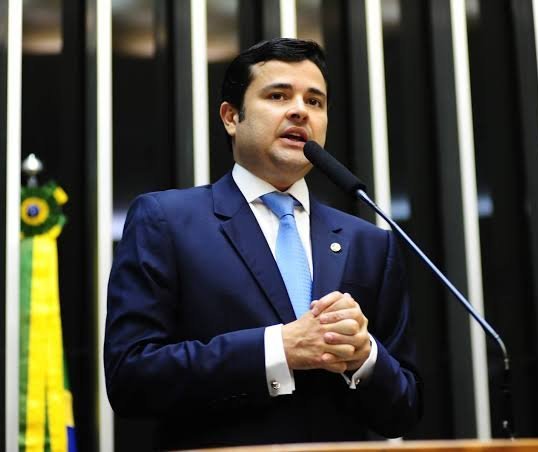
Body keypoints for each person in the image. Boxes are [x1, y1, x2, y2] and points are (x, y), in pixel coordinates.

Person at [105, 38, 421, 450]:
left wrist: (365, 357)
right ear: (231, 117)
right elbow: (131, 378)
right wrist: (278, 350)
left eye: (315, 101)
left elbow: (404, 409)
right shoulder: (166, 221)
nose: (300, 111)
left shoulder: (369, 243)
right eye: (278, 96)